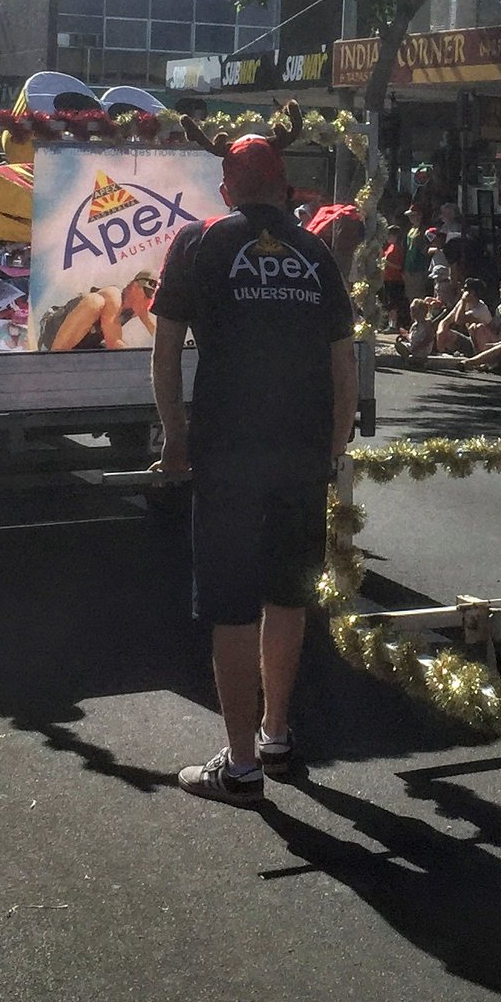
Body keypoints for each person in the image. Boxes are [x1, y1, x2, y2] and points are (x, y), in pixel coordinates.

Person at [151, 131, 357, 803]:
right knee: (289, 595)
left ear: (227, 190)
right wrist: (334, 446)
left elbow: (166, 351)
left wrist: (175, 435)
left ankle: (240, 767)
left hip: (228, 451)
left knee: (231, 604)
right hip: (302, 452)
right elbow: (344, 365)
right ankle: (275, 735)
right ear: (283, 187)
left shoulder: (198, 242)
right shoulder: (315, 253)